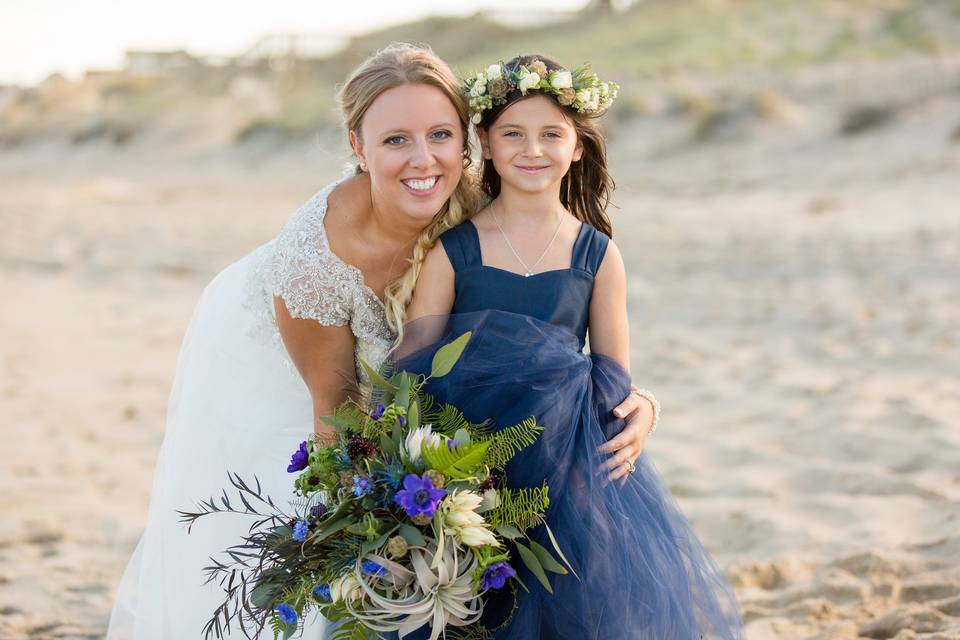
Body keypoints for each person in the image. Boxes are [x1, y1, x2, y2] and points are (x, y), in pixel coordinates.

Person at [106, 44, 655, 639]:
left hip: (442, 409)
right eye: (395, 140)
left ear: (468, 142)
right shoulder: (312, 265)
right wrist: (387, 527)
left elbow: (548, 332)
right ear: (357, 147)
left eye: (441, 134)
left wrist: (638, 403)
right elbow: (337, 415)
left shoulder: (475, 193)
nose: (424, 159)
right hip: (321, 396)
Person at [400, 54, 744, 639]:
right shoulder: (453, 251)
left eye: (551, 134)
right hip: (472, 466)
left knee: (576, 602)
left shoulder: (598, 255)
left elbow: (612, 374)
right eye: (513, 133)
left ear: (577, 147)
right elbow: (412, 365)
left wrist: (642, 413)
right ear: (484, 142)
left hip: (569, 467)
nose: (532, 149)